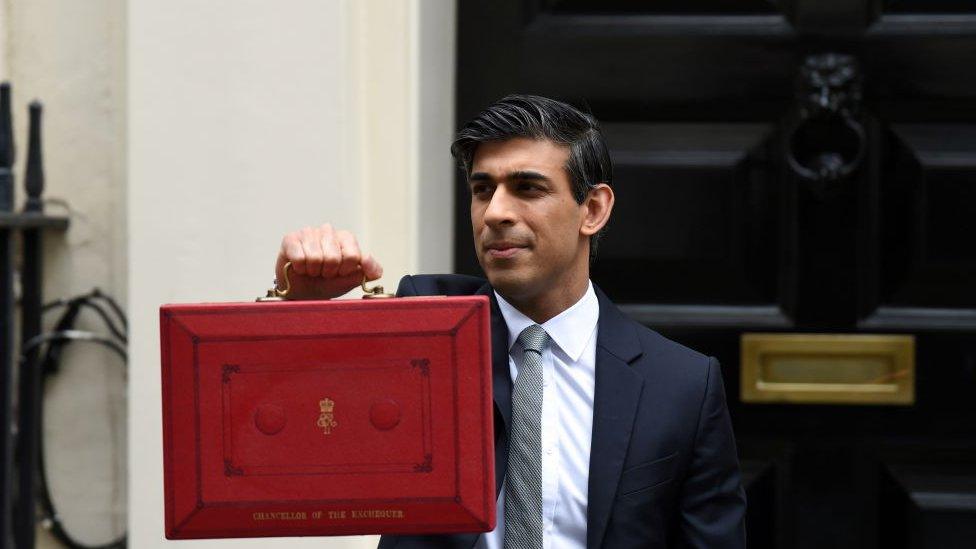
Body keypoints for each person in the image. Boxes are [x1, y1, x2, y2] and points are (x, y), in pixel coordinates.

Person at [275, 95, 746, 549]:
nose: (496, 212)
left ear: (594, 209)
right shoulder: (424, 328)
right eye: (483, 190)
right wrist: (300, 311)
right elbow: (283, 433)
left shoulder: (682, 385)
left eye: (528, 188)